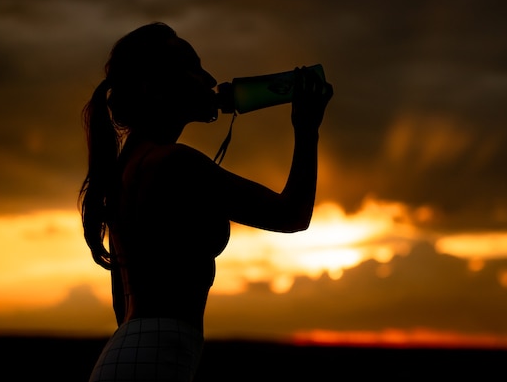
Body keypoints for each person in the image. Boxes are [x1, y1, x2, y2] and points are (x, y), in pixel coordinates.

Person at [78, 22, 333, 382]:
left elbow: (124, 304)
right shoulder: (175, 162)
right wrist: (307, 129)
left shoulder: (127, 170)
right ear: (157, 87)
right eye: (193, 67)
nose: (209, 77)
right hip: (156, 361)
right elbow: (292, 215)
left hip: (130, 355)